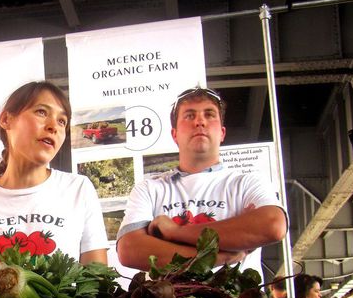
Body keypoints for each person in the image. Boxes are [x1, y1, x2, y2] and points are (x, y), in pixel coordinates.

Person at [116, 87, 287, 276]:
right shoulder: (149, 189)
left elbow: (273, 225)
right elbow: (130, 250)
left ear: (222, 133)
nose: (200, 121)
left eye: (210, 114)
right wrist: (220, 257)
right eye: (189, 116)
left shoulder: (248, 183)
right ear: (175, 135)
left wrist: (175, 232)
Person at [0, 81, 108, 264]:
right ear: (6, 119)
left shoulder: (78, 189)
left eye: (62, 121)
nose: (53, 126)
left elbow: (97, 282)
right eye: (41, 112)